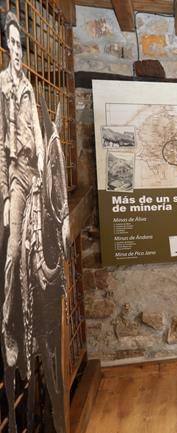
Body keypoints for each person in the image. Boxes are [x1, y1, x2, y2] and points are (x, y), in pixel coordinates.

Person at [0, 11, 44, 380]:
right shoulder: (2, 87)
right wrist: (3, 195)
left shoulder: (29, 87)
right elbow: (1, 144)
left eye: (20, 44)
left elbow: (40, 135)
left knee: (45, 247)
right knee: (14, 249)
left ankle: (36, 331)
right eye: (12, 43)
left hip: (34, 171)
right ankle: (8, 325)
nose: (16, 50)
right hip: (14, 174)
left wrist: (43, 168)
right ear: (5, 47)